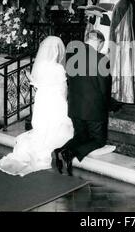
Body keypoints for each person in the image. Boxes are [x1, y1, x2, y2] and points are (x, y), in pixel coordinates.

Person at [0, 36, 74, 176]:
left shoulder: (41, 66)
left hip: (42, 99)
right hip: (54, 100)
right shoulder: (57, 68)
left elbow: (36, 83)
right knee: (56, 125)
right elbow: (63, 88)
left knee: (42, 124)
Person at [56, 30, 111, 176]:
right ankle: (69, 153)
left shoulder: (71, 55)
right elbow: (104, 88)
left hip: (75, 106)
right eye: (101, 45)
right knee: (99, 140)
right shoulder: (101, 59)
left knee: (80, 136)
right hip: (93, 108)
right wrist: (108, 106)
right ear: (99, 43)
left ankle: (59, 151)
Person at [84, 0, 135, 105]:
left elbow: (123, 21)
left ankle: (113, 94)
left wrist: (105, 16)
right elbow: (96, 14)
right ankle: (98, 92)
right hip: (99, 34)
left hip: (114, 36)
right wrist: (91, 13)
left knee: (111, 66)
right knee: (97, 64)